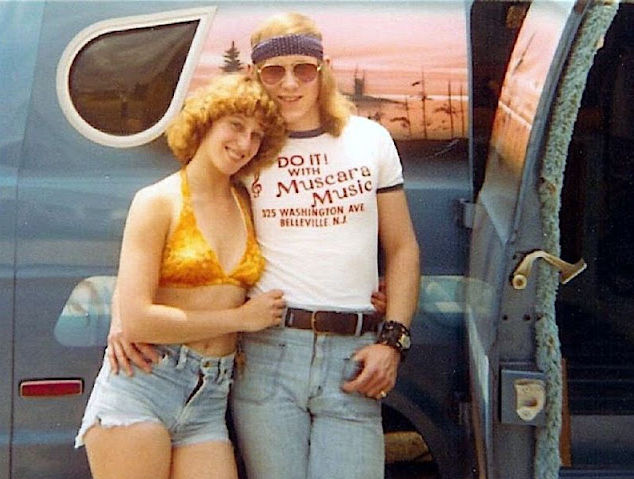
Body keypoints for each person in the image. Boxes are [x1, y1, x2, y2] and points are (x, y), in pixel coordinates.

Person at [108, 12, 420, 479]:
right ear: (255, 74)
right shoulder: (251, 151)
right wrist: (124, 315)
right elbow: (178, 213)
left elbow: (402, 249)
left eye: (304, 69)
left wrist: (393, 342)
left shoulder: (370, 140)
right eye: (275, 70)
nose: (290, 84)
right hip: (269, 351)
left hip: (352, 354)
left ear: (324, 68)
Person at [75, 73, 287, 479]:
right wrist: (240, 319)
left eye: (257, 136)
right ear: (206, 122)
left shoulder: (248, 201)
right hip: (144, 384)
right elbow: (138, 318)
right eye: (236, 126)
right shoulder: (158, 201)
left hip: (209, 397)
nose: (245, 144)